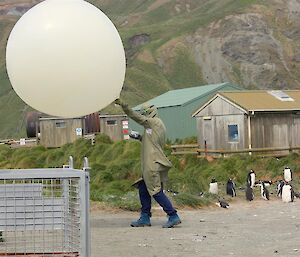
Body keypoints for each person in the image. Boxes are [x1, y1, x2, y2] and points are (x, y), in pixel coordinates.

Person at [115, 99, 181, 228]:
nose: (144, 115)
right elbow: (153, 142)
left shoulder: (153, 122)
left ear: (149, 112)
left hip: (152, 163)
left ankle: (173, 215)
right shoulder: (156, 125)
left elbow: (137, 117)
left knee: (156, 191)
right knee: (143, 187)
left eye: (144, 112)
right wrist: (140, 137)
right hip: (152, 162)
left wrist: (124, 105)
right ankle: (145, 217)